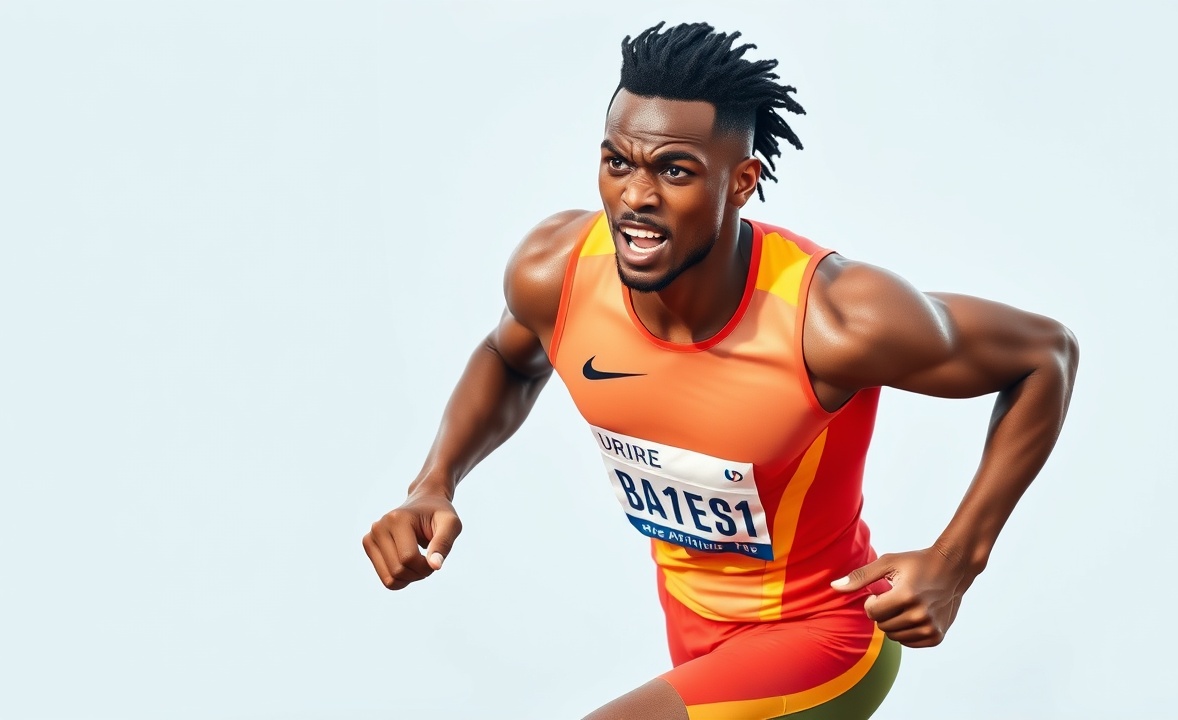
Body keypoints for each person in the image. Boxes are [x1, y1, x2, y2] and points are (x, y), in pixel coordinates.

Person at [362, 21, 1079, 720]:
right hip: (694, 639)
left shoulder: (833, 319)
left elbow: (1044, 355)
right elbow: (509, 358)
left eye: (674, 170)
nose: (636, 197)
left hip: (825, 637)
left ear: (741, 182)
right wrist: (435, 481)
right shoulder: (558, 272)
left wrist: (958, 559)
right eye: (618, 163)